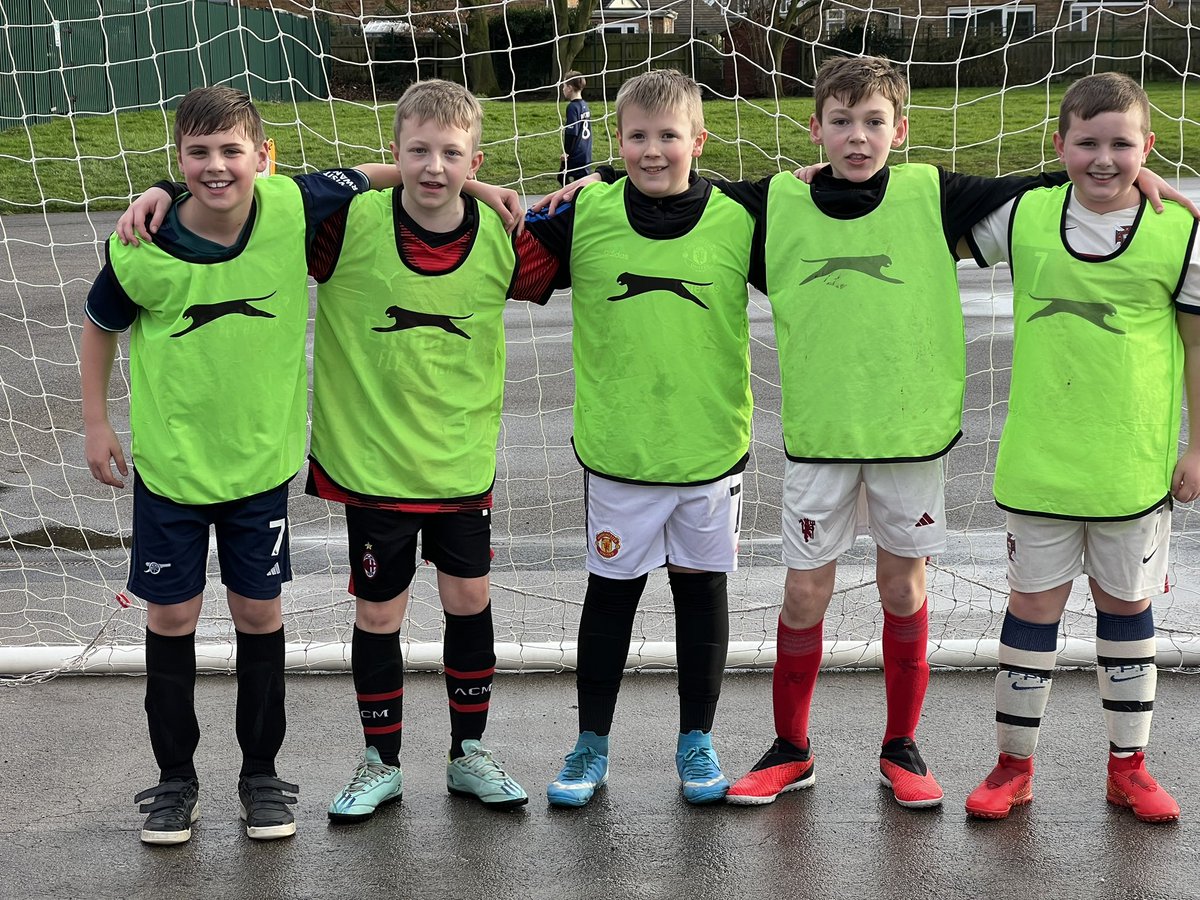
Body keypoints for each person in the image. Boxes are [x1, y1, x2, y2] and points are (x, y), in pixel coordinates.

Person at [84, 85, 385, 844]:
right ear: (177, 160)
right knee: (174, 615)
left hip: (259, 469)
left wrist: (479, 183)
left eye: (230, 152)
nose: (215, 167)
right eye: (197, 154)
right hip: (172, 469)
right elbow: (99, 326)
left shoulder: (291, 205)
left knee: (258, 613)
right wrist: (95, 423)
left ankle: (261, 775)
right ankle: (175, 783)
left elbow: (379, 174)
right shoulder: (141, 245)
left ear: (262, 157)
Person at [961, 71, 1198, 823]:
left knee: (1126, 609)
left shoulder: (1181, 229)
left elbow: (1198, 346)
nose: (1104, 159)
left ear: (1149, 147)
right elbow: (917, 215)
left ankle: (1129, 768)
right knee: (1031, 610)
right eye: (1086, 143)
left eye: (1123, 145)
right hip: (1042, 463)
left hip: (1133, 466)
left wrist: (1198, 447)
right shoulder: (1024, 217)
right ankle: (1012, 769)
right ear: (1057, 143)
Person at [518, 69, 756, 807]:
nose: (654, 151)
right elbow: (494, 259)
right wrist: (501, 201)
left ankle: (697, 743)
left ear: (699, 140)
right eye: (638, 137)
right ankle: (590, 746)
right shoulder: (582, 212)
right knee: (611, 598)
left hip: (708, 446)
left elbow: (840, 212)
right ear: (615, 142)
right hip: (621, 452)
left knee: (700, 594)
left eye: (670, 136)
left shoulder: (746, 214)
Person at [560, 70, 592, 185]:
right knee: (581, 183)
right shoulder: (585, 105)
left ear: (569, 88)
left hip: (575, 153)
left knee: (562, 177)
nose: (562, 89)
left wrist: (566, 153)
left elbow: (572, 132)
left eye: (563, 86)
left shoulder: (572, 107)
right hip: (585, 152)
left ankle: (571, 200)